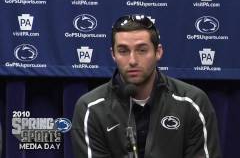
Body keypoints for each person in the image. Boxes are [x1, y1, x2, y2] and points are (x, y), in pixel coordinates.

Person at [71, 14, 222, 158]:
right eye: (123, 51)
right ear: (113, 54)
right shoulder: (91, 108)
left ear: (158, 52)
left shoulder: (192, 102)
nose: (132, 60)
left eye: (142, 50)